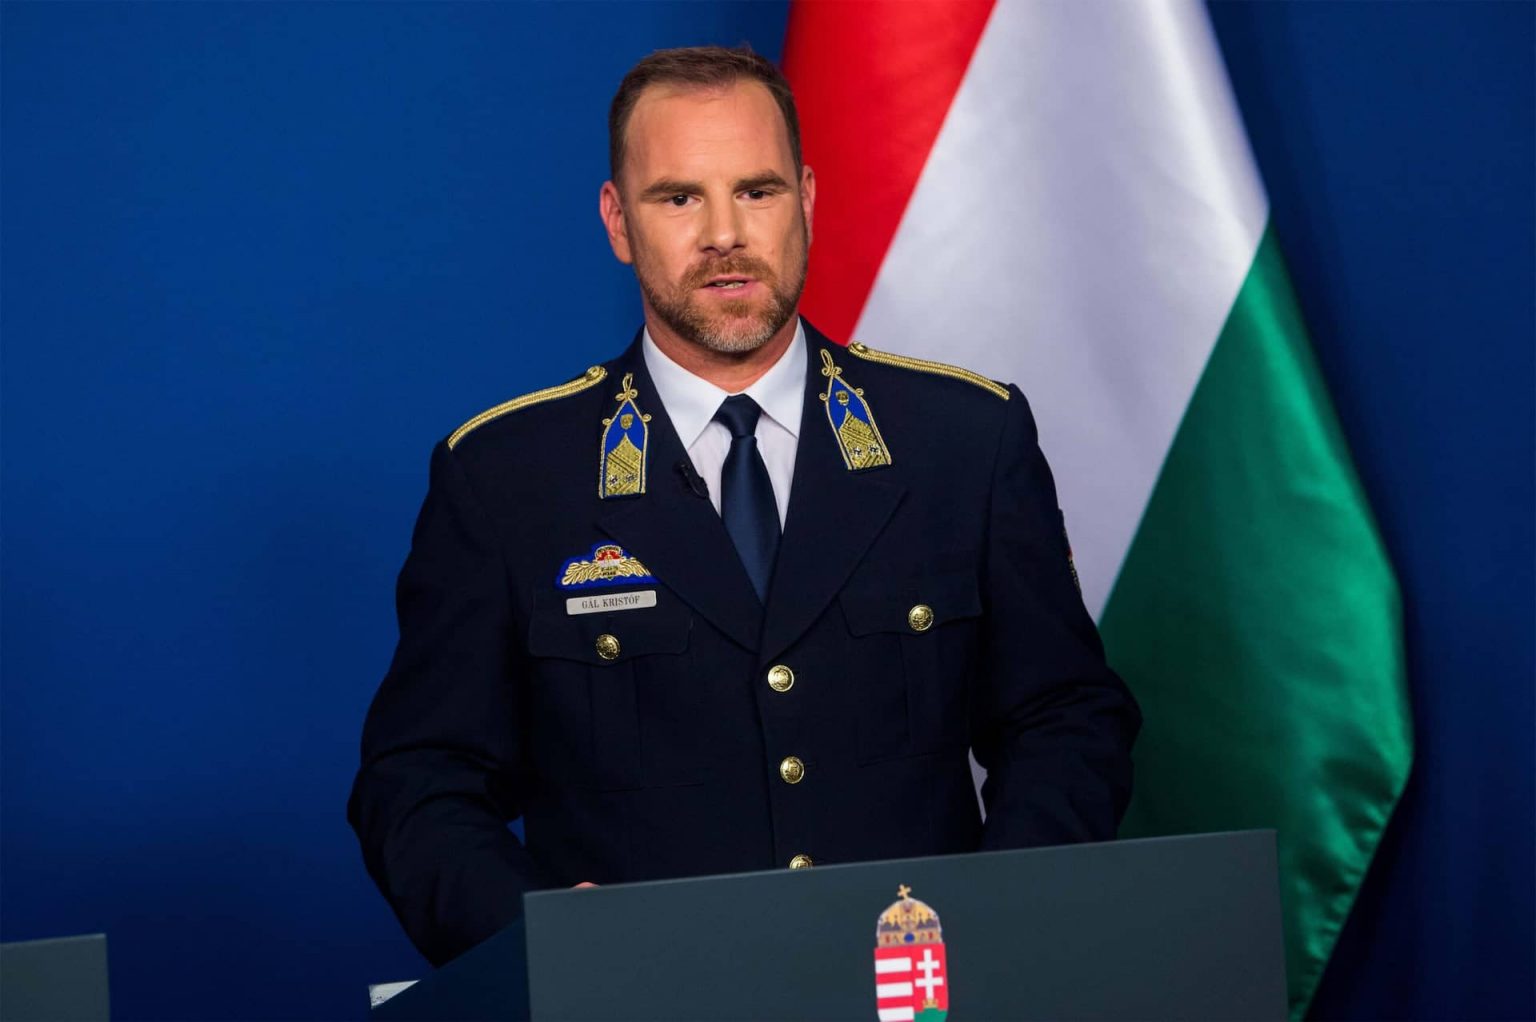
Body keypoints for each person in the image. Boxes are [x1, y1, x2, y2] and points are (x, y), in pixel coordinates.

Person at [348, 45, 1140, 967]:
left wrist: (999, 920)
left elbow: (1066, 720)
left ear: (807, 198)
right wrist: (545, 945)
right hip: (648, 996)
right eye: (679, 198)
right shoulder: (506, 478)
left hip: (918, 986)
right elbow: (419, 784)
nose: (724, 233)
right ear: (617, 221)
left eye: (756, 191)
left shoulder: (964, 440)